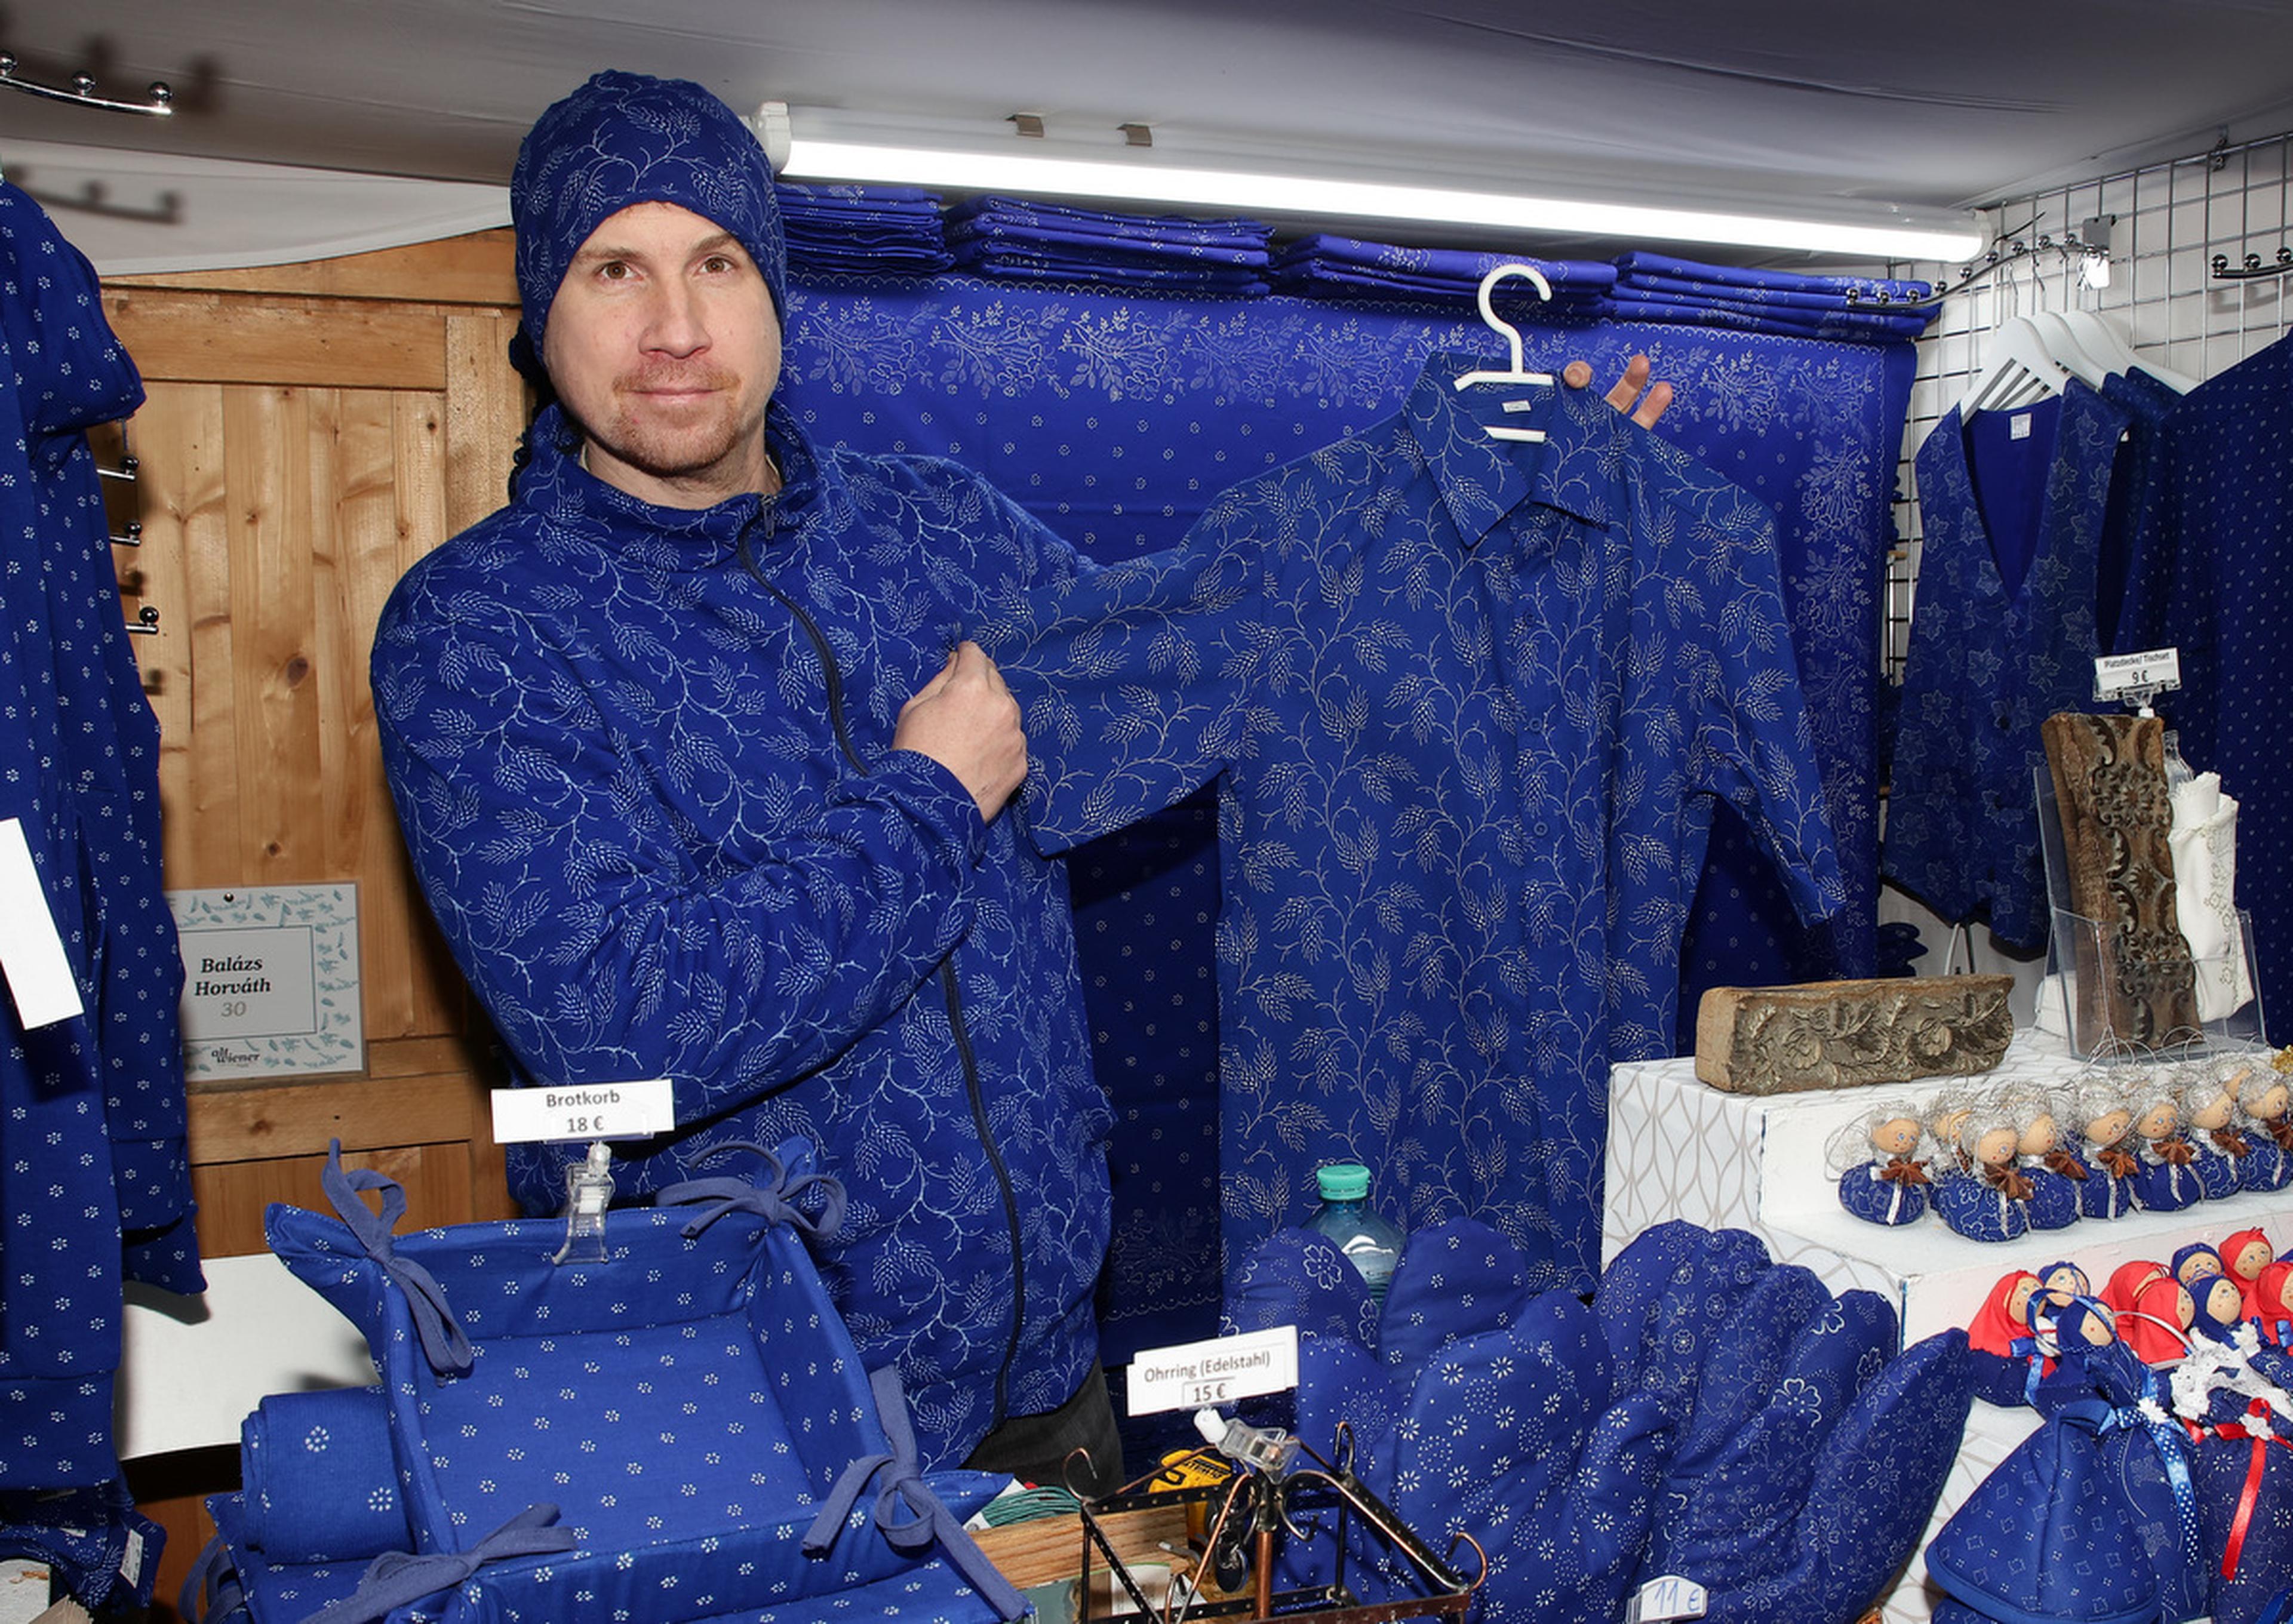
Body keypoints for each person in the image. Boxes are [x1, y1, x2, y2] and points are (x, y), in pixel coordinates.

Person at [371, 67, 1667, 1493]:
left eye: (717, 263)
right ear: (539, 315)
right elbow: (626, 1026)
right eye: (617, 268)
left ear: (775, 292)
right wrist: (933, 791)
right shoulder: (481, 630)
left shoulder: (933, 527)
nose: (675, 327)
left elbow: (1233, 656)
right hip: (744, 1427)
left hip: (1048, 1396)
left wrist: (1522, 511)